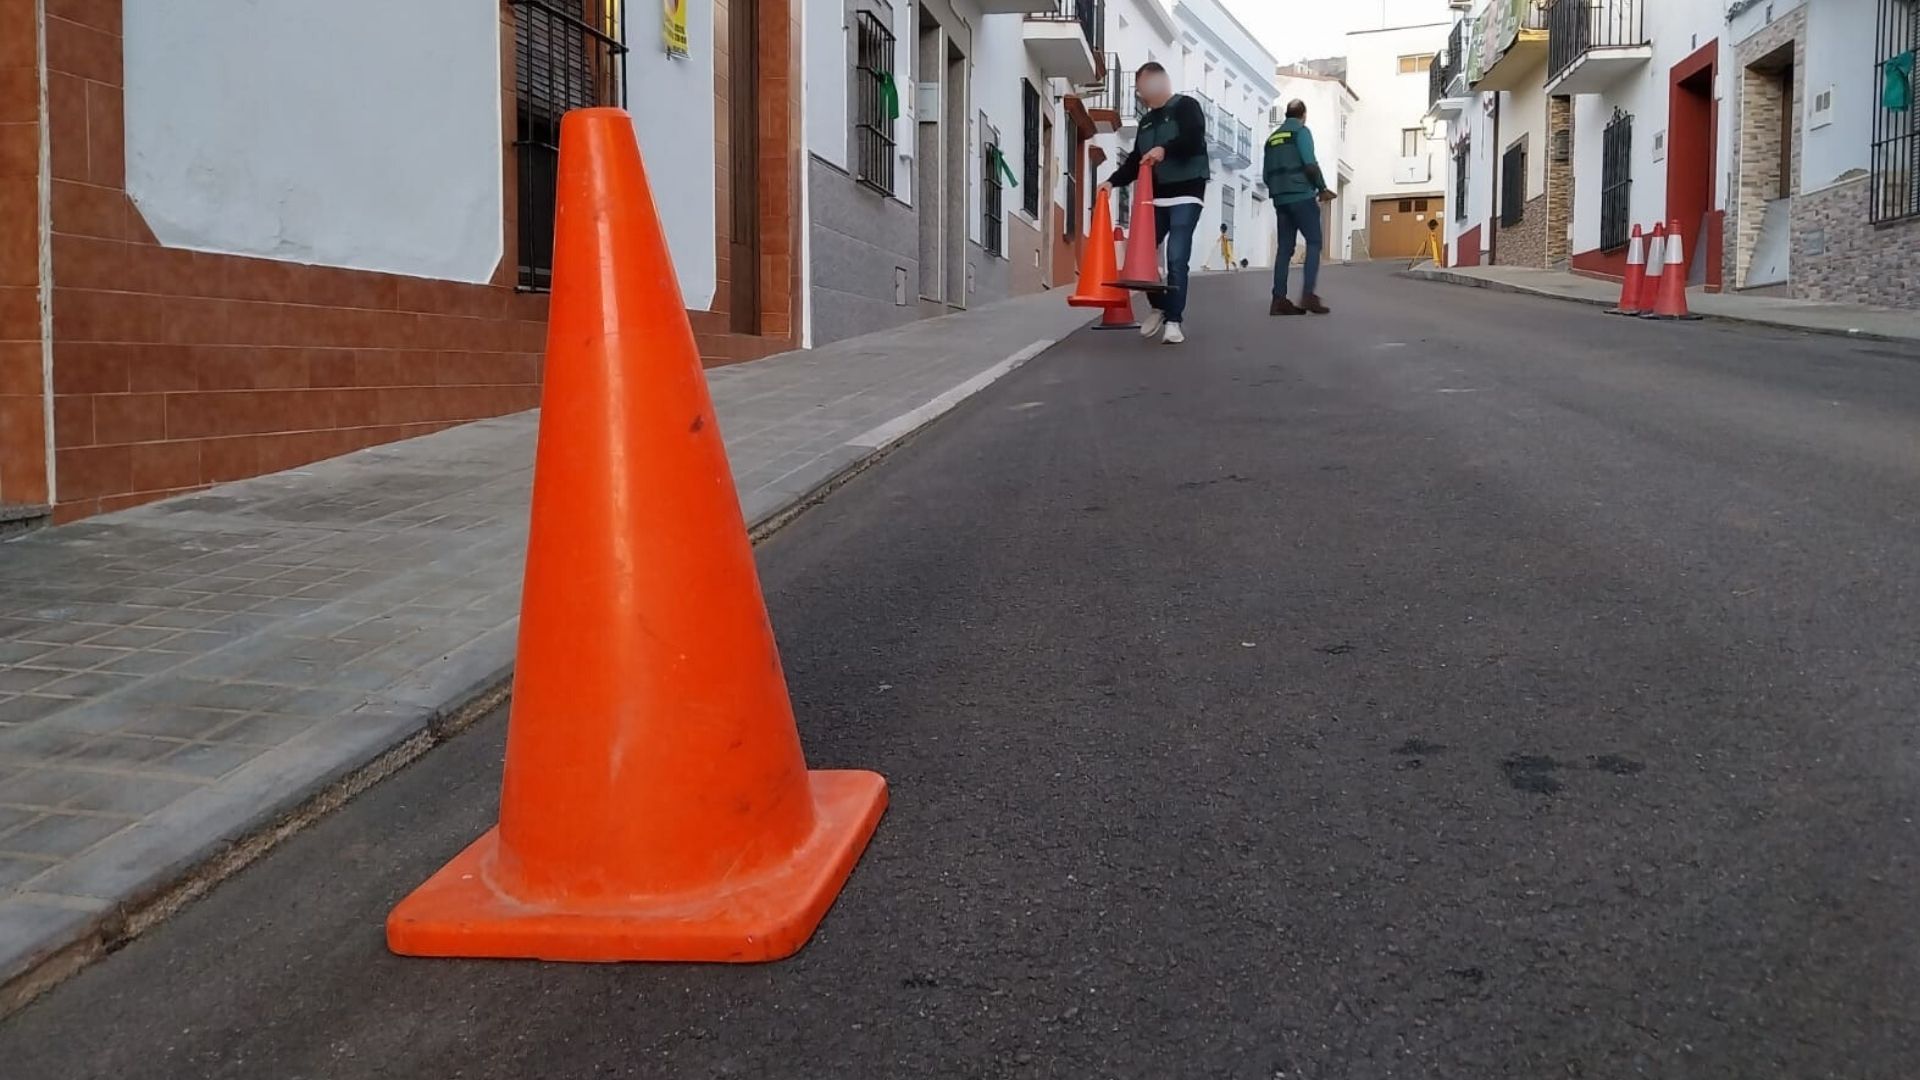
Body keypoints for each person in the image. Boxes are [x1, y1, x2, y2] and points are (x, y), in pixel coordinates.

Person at [1099, 62, 1208, 345]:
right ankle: (1160, 305)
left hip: (1187, 191)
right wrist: (1111, 181)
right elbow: (1136, 160)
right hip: (1155, 197)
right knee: (1142, 255)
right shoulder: (1146, 122)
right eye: (1138, 89)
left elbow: (1194, 139)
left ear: (1159, 81)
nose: (1140, 93)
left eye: (1141, 87)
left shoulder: (1186, 106)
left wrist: (1165, 149)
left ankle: (1174, 321)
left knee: (1176, 256)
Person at [1263, 98, 1337, 316]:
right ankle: (1308, 296)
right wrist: (1321, 188)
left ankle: (1278, 300)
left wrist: (1279, 189)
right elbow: (1310, 164)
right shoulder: (1301, 132)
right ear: (1303, 114)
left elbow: (1266, 174)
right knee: (1314, 242)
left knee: (1284, 249)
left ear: (1286, 114)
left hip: (1280, 199)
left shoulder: (1272, 138)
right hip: (1301, 196)